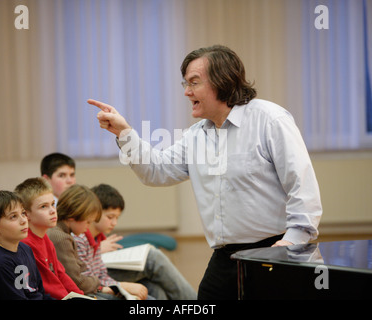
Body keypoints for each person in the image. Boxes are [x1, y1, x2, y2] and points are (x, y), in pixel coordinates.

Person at [88, 45, 323, 299]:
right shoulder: (196, 135)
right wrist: (124, 133)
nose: (187, 92)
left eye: (194, 83)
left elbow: (302, 186)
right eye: (185, 84)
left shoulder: (270, 120)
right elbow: (156, 171)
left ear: (222, 82)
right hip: (226, 256)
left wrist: (292, 243)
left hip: (275, 249)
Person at [73, 183, 196, 300]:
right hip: (97, 285)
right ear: (95, 212)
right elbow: (86, 280)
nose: (114, 223)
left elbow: (100, 272)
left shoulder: (97, 237)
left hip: (103, 279)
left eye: (117, 218)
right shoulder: (80, 237)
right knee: (153, 258)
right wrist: (121, 286)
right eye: (110, 217)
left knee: (152, 287)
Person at [47, 184, 129, 299]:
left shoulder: (64, 234)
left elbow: (81, 271)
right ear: (73, 217)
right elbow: (78, 281)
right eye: (88, 222)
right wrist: (96, 281)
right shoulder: (62, 238)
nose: (88, 227)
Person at [14, 177, 86, 300]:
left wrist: (81, 296)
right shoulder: (27, 245)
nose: (53, 211)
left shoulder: (45, 238)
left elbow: (61, 274)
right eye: (43, 207)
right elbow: (51, 286)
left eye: (53, 204)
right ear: (26, 214)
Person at [0, 190, 52, 300]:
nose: (23, 220)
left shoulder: (26, 249)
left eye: (23, 213)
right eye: (13, 217)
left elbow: (40, 293)